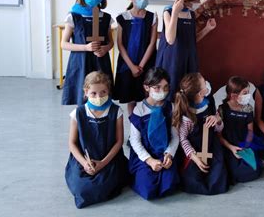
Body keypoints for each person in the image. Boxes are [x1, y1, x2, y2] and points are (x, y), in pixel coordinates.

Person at [65, 71, 128, 208]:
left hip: (109, 159)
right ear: (86, 92)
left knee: (105, 185)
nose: (99, 96)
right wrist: (84, 163)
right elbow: (72, 143)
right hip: (83, 159)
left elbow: (119, 142)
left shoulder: (116, 111)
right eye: (93, 93)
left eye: (103, 92)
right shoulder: (78, 113)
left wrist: (103, 163)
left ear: (108, 92)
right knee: (80, 187)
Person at [156, 0, 216, 100]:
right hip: (173, 58)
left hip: (189, 59)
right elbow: (170, 39)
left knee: (188, 90)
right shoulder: (168, 12)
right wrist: (175, 12)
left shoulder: (191, 14)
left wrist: (207, 29)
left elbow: (192, 40)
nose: (199, 2)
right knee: (171, 91)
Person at [128, 67, 180, 199]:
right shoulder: (139, 110)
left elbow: (175, 136)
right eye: (157, 87)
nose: (162, 92)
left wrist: (169, 153)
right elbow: (135, 141)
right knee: (148, 188)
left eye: (166, 87)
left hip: (164, 152)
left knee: (169, 184)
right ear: (147, 87)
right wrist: (149, 160)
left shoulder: (171, 108)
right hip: (145, 155)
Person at [61, 0, 114, 105]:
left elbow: (110, 42)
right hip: (81, 62)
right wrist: (86, 47)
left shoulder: (106, 18)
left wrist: (105, 48)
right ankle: (82, 123)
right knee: (82, 98)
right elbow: (64, 44)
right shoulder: (74, 16)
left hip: (100, 61)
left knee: (102, 97)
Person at [173, 73, 228, 195]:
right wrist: (195, 158)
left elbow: (218, 129)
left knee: (218, 176)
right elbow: (183, 139)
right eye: (204, 83)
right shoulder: (187, 115)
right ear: (200, 93)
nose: (207, 84)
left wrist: (217, 120)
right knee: (193, 178)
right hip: (194, 150)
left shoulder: (209, 103)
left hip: (211, 145)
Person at [113, 0, 158, 114]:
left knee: (147, 95)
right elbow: (120, 44)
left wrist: (141, 66)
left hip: (147, 63)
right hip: (127, 64)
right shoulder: (122, 17)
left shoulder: (152, 17)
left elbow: (152, 43)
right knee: (131, 97)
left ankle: (145, 126)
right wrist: (132, 67)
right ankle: (134, 130)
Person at [217, 76, 262, 184]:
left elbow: (250, 131)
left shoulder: (248, 108)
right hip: (228, 145)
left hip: (243, 144)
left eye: (248, 92)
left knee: (252, 171)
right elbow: (218, 135)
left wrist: (246, 146)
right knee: (230, 171)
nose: (248, 96)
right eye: (245, 93)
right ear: (233, 95)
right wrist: (231, 147)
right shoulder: (222, 109)